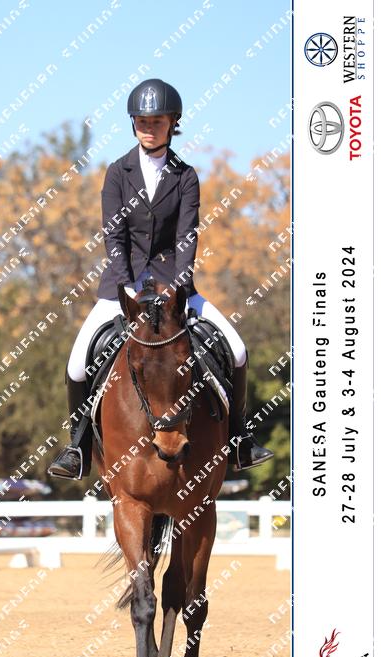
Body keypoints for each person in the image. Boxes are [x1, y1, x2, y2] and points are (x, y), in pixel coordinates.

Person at [48, 78, 274, 481]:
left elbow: (188, 236)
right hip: (122, 288)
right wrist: (127, 285)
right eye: (142, 121)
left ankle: (240, 439)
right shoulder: (117, 173)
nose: (148, 127)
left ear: (173, 123)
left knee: (237, 350)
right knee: (78, 363)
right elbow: (113, 234)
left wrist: (178, 289)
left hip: (175, 287)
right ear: (133, 123)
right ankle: (77, 447)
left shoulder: (185, 176)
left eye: (157, 121)